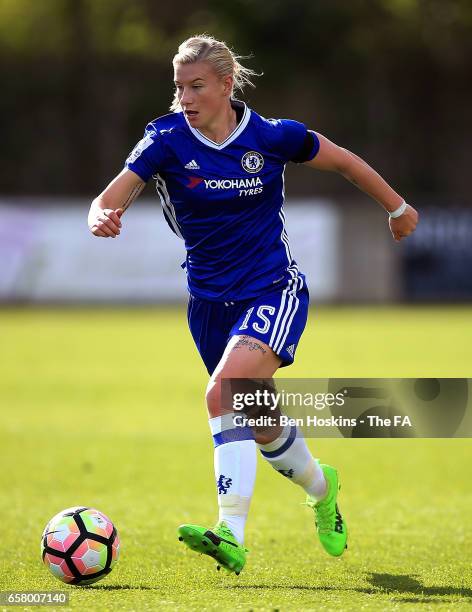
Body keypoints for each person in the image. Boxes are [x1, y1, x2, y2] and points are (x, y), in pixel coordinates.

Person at [88, 34, 418, 575]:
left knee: (224, 392)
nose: (185, 97)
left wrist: (397, 207)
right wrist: (100, 216)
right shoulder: (164, 140)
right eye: (178, 87)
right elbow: (110, 196)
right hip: (208, 304)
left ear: (226, 83)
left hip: (273, 289)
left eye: (196, 86)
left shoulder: (271, 136)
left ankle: (230, 533)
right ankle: (322, 486)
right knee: (257, 422)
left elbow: (345, 163)